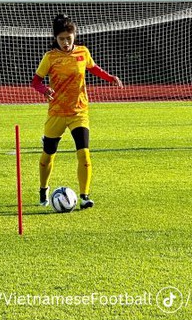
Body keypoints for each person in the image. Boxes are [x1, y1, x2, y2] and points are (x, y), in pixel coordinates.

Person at [31, 14, 123, 210]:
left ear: (75, 35)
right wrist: (45, 90)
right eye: (61, 38)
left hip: (79, 112)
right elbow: (36, 81)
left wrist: (109, 77)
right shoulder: (50, 57)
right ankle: (43, 189)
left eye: (68, 38)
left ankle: (84, 196)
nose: (65, 42)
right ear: (55, 38)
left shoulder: (83, 52)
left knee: (84, 154)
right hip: (56, 113)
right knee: (48, 155)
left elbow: (93, 68)